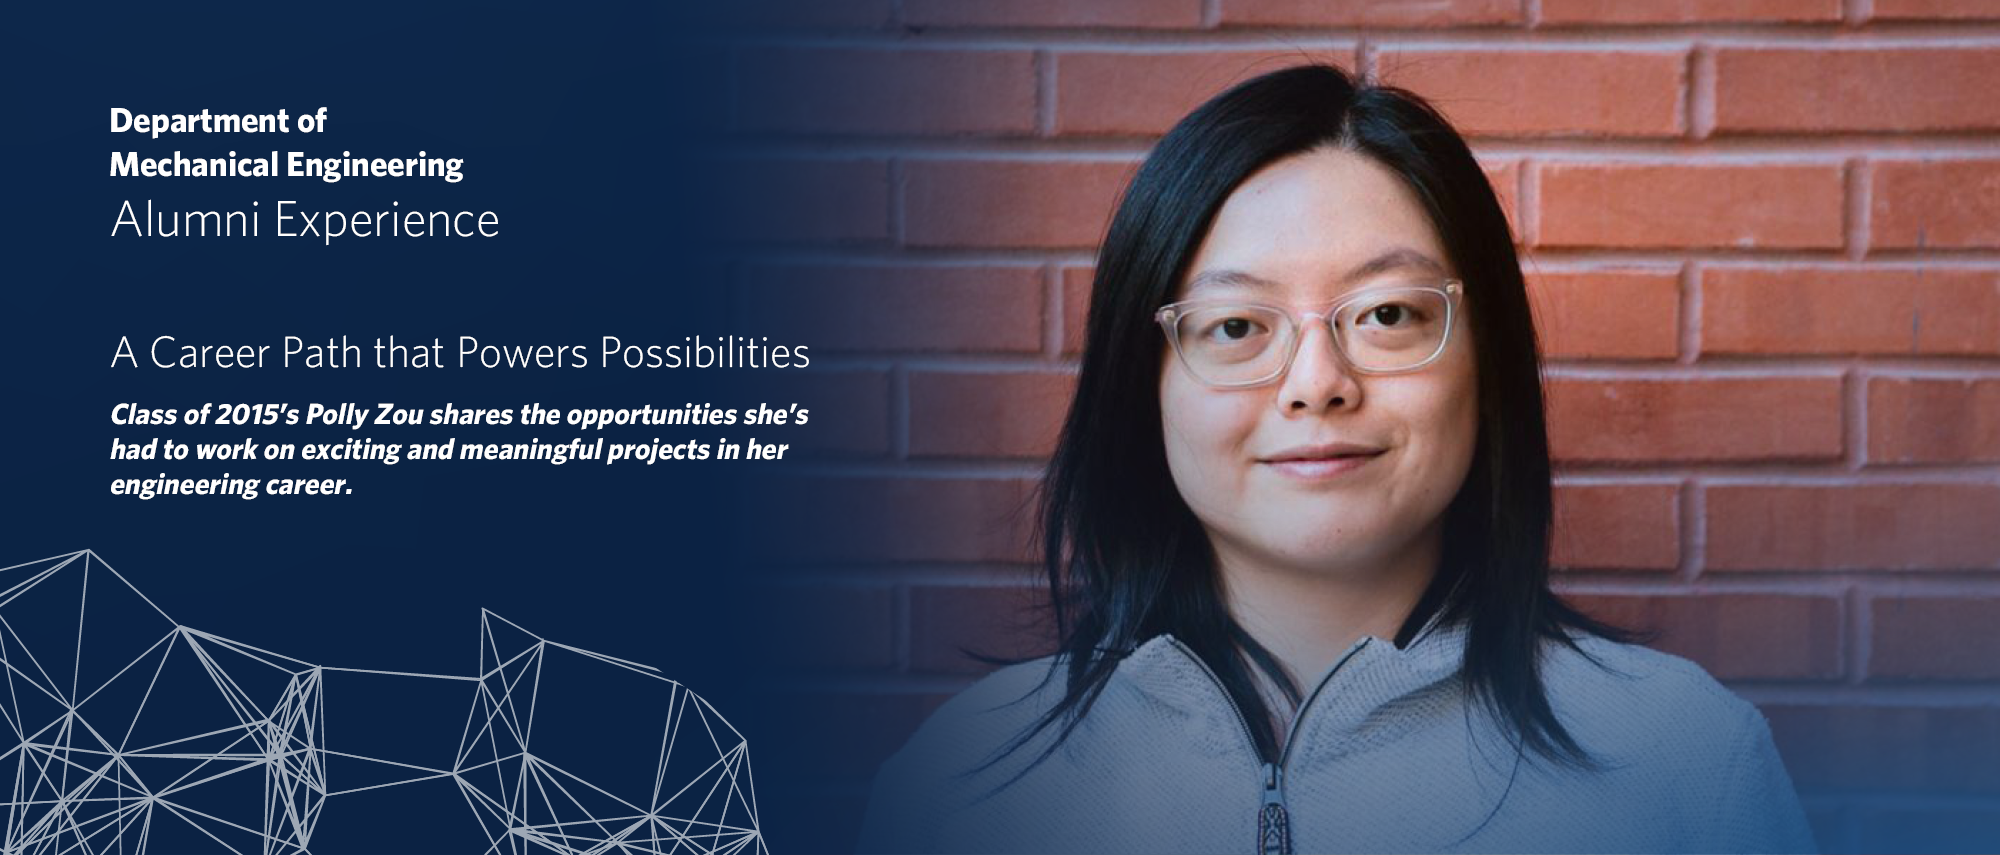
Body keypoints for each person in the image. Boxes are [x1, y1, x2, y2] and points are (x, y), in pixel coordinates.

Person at [855, 63, 1816, 855]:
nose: (1317, 382)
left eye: (1389, 314)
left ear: (1490, 360)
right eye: (1236, 325)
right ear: (1140, 387)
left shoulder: (1684, 764)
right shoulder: (959, 788)